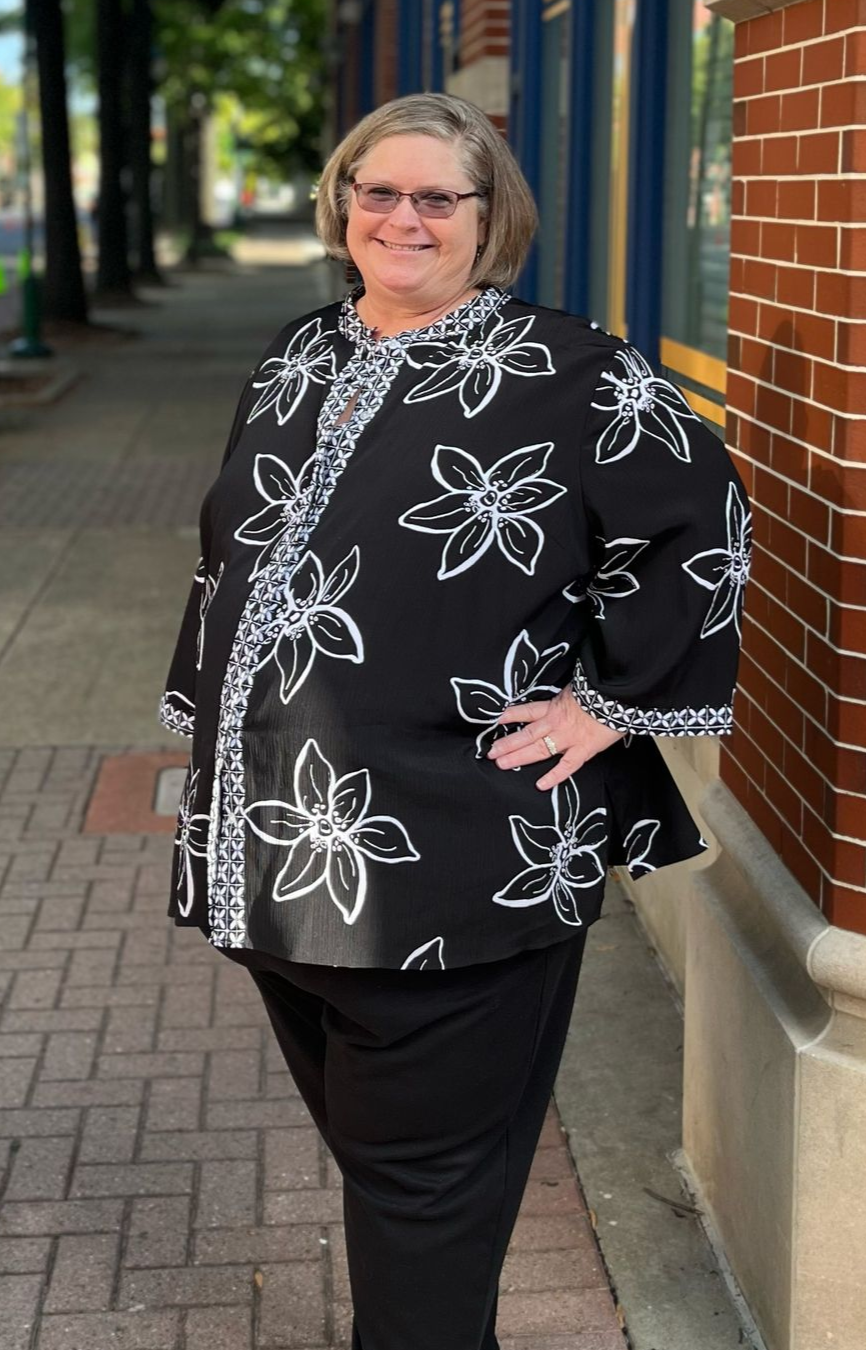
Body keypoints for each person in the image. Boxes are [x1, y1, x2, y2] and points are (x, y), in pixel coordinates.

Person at [158, 92, 751, 1350]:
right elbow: (235, 561)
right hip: (276, 859)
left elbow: (701, 524)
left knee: (422, 1189)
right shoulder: (300, 351)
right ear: (341, 202)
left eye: (439, 197)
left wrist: (608, 705)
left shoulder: (569, 370)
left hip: (457, 858)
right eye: (379, 190)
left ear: (493, 220)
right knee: (398, 1175)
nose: (404, 218)